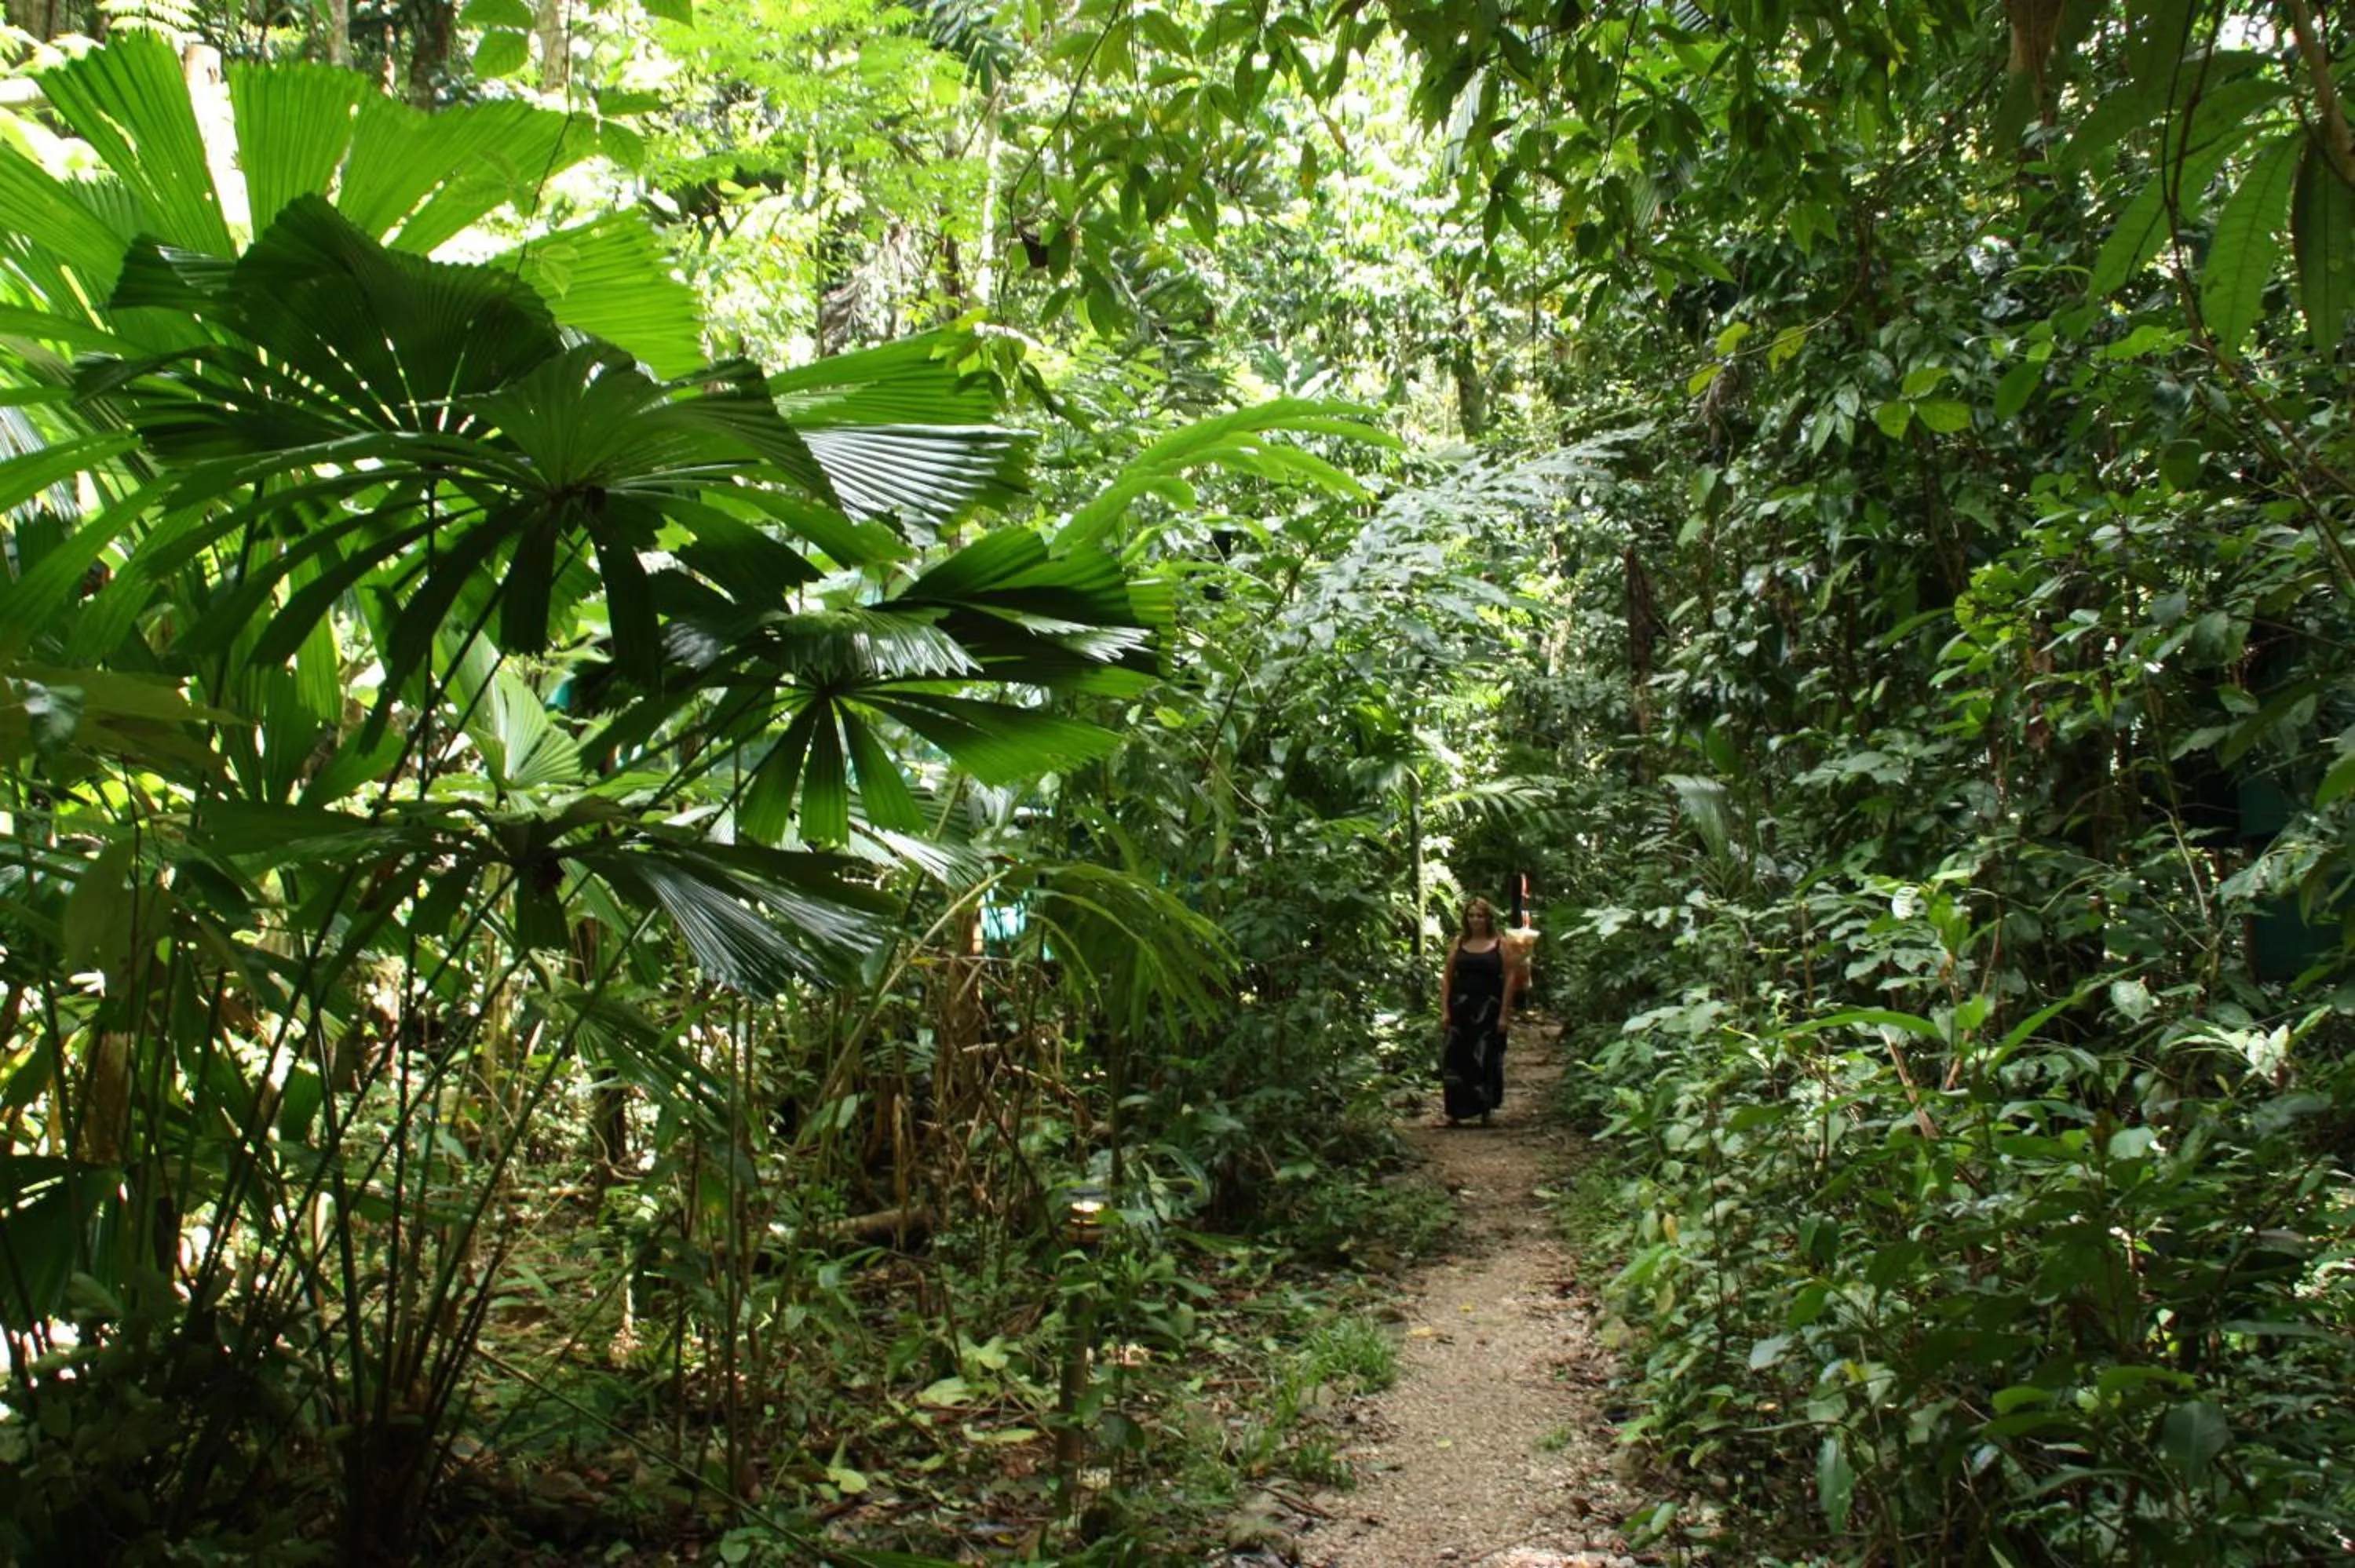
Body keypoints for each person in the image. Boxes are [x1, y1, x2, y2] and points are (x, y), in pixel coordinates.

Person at [1440, 897, 1511, 1125]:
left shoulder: (1500, 943)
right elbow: (1447, 977)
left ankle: (1485, 1109)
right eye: (1471, 916)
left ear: (1488, 918)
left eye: (1480, 916)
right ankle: (1455, 1112)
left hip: (1489, 1008)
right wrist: (1444, 1010)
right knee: (1456, 1057)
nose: (1475, 920)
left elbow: (1510, 978)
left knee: (1487, 1057)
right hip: (1461, 1008)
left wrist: (1503, 1014)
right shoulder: (1459, 942)